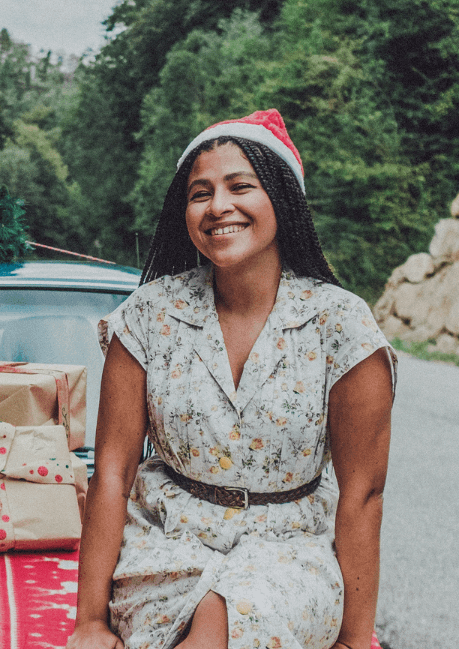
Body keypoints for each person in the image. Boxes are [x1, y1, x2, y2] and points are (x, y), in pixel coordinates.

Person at [67, 110, 395, 649]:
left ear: (282, 200)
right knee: (201, 614)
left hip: (290, 553)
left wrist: (357, 640)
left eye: (240, 186)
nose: (219, 206)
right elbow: (112, 472)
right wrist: (90, 623)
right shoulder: (148, 316)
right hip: (164, 547)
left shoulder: (343, 326)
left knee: (226, 616)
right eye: (201, 193)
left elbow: (363, 492)